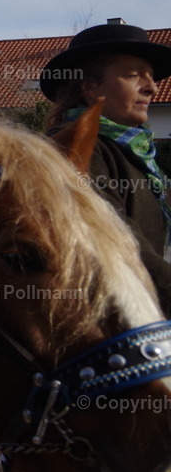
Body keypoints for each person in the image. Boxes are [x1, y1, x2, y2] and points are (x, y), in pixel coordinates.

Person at [41, 20, 171, 312]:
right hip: (101, 335)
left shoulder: (134, 155)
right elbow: (116, 242)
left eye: (151, 78)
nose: (151, 88)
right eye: (133, 75)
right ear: (90, 87)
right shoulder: (73, 150)